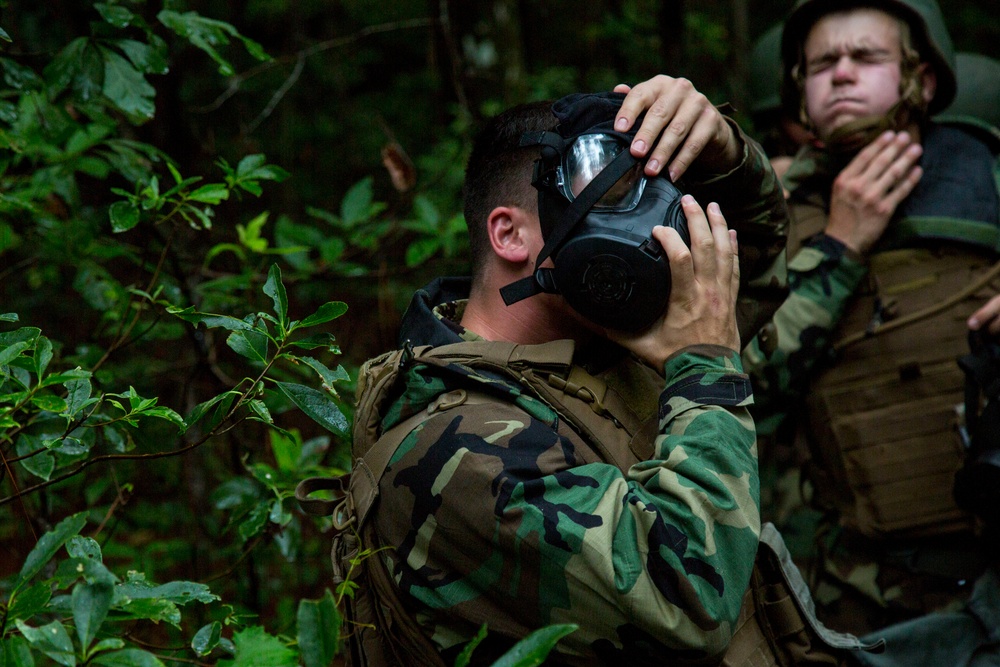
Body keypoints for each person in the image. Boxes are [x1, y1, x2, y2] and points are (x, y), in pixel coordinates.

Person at [320, 77, 799, 665]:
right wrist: (704, 367)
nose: (654, 227)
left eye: (654, 196)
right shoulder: (457, 449)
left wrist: (726, 150)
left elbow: (754, 263)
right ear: (510, 233)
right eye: (616, 196)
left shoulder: (600, 352)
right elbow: (690, 599)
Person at [740, 0, 1000, 643]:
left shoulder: (986, 171)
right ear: (799, 88)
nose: (843, 74)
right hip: (866, 591)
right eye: (823, 62)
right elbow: (738, 393)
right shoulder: (763, 222)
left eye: (867, 56)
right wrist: (838, 247)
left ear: (924, 79)